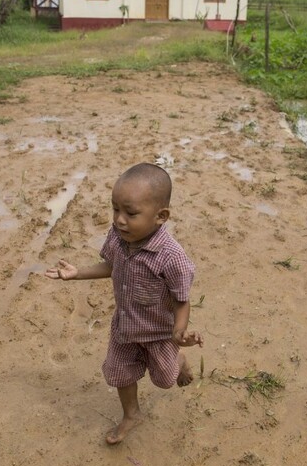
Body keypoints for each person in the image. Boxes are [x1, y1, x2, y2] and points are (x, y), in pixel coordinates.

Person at [45, 162, 203, 445]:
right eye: (115, 209)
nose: (119, 219)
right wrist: (77, 272)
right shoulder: (118, 237)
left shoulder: (172, 258)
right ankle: (131, 414)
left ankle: (177, 360)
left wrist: (180, 331)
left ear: (161, 216)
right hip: (125, 328)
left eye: (130, 213)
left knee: (164, 379)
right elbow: (111, 265)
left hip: (159, 333)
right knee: (119, 372)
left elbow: (182, 300)